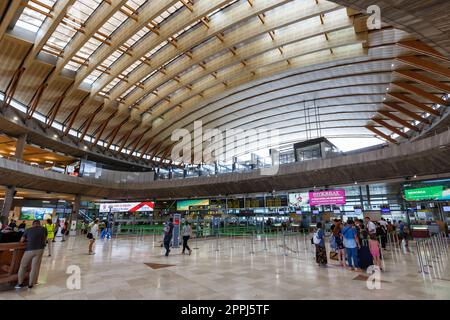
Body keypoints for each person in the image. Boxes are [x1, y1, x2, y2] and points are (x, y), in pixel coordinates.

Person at [15, 220, 47, 289]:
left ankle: (20, 284)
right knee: (34, 267)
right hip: (40, 250)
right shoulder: (44, 229)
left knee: (23, 266)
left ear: (33, 224)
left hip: (29, 250)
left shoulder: (28, 229)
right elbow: (45, 238)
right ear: (39, 224)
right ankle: (30, 285)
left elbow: (21, 240)